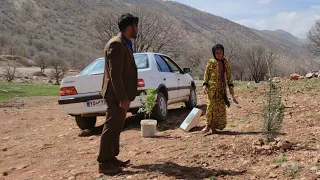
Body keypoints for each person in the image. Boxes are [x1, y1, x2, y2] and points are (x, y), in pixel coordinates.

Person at [98, 13, 139, 175]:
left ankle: (111, 158)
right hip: (116, 95)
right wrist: (122, 98)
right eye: (136, 26)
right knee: (111, 127)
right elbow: (115, 75)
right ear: (130, 28)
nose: (137, 29)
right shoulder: (116, 44)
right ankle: (104, 162)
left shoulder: (124, 43)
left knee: (116, 127)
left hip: (120, 95)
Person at [201, 44, 237, 134]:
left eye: (221, 53)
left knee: (219, 109)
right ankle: (208, 125)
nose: (219, 55)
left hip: (221, 90)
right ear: (214, 53)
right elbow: (206, 74)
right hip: (211, 90)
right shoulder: (210, 62)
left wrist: (231, 91)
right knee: (210, 108)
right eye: (217, 53)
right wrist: (205, 85)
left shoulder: (225, 62)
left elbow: (228, 75)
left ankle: (215, 127)